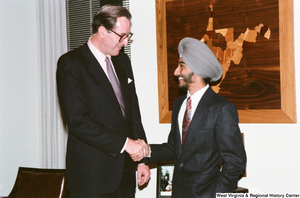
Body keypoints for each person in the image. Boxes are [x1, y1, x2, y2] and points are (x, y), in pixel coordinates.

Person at [56, 5, 150, 198]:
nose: (125, 42)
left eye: (128, 36)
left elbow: (133, 112)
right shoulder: (70, 64)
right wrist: (125, 144)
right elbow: (77, 121)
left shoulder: (123, 62)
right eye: (122, 36)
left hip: (124, 176)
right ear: (102, 31)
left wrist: (142, 159)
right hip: (91, 177)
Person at [146, 37, 247, 197]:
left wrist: (216, 193)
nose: (175, 72)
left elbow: (236, 162)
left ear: (197, 69)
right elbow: (175, 149)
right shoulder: (179, 104)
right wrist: (145, 151)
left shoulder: (222, 108)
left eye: (181, 66)